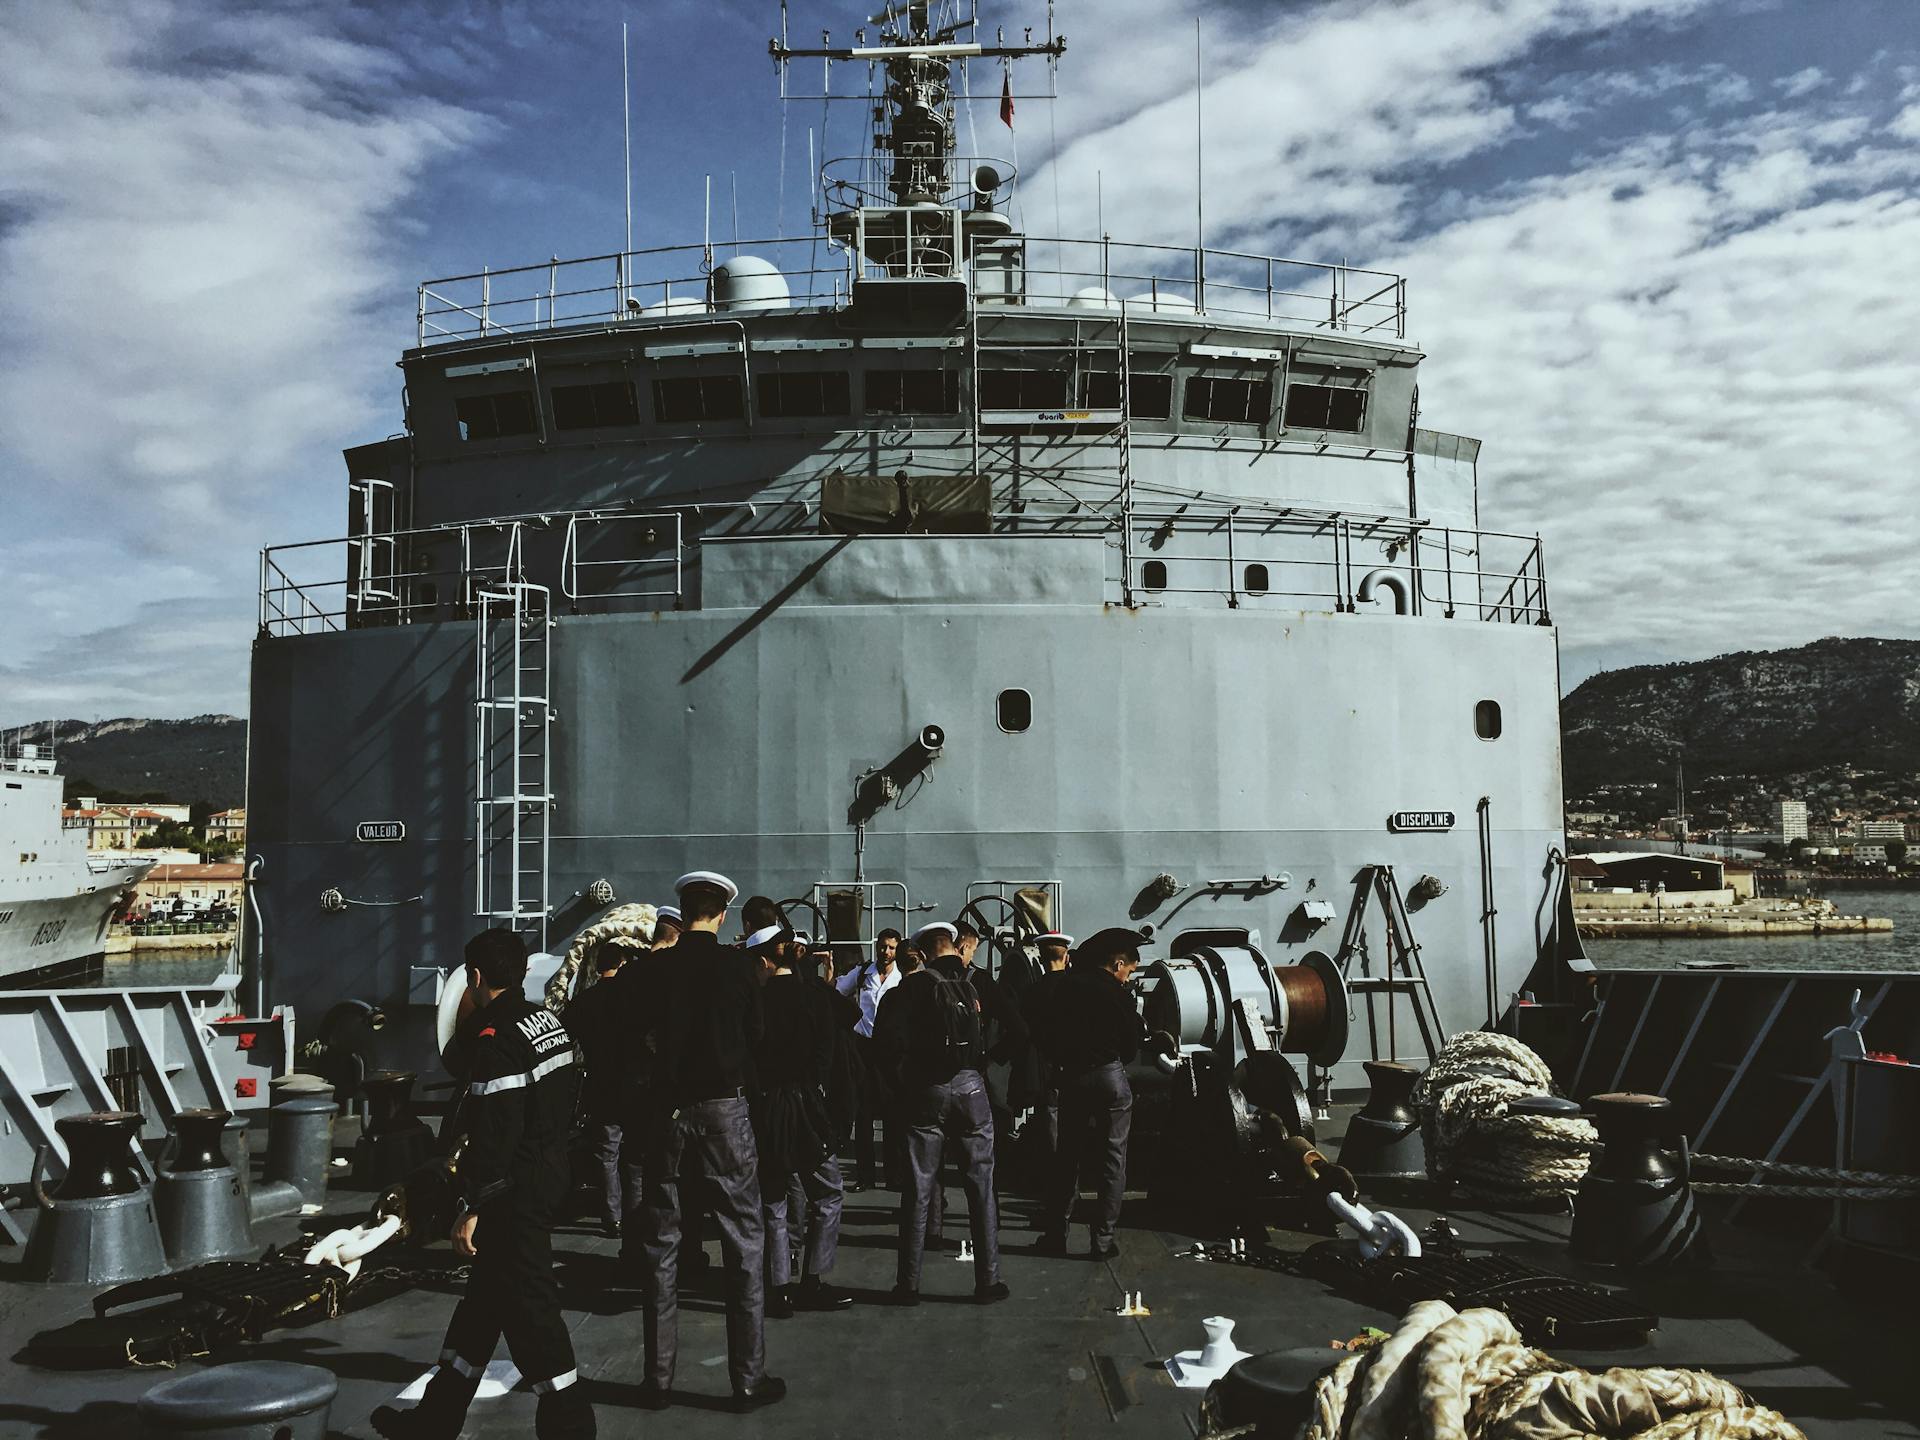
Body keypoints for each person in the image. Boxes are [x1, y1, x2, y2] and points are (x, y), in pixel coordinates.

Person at [372, 928, 592, 1440]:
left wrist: (473, 1206)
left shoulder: (498, 1043)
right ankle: (433, 1423)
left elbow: (495, 1133)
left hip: (514, 1194)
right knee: (482, 1309)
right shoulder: (547, 1022)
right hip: (547, 1174)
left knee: (533, 1310)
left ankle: (573, 1427)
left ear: (474, 978)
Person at [627, 871, 786, 1412]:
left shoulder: (654, 968)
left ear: (683, 908)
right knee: (744, 1239)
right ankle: (747, 1381)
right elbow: (759, 1037)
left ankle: (657, 1380)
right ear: (721, 914)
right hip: (724, 1109)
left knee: (662, 1242)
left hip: (667, 1111)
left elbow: (635, 1037)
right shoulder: (738, 968)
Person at [871, 920, 1025, 1306]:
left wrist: (906, 1083)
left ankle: (908, 1285)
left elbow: (885, 1046)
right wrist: (985, 1062)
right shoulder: (980, 983)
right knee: (981, 1185)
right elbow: (1020, 1030)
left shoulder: (910, 988)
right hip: (972, 1087)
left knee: (919, 1188)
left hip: (926, 1090)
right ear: (956, 947)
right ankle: (988, 1281)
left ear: (922, 953)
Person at [749, 927, 855, 1319]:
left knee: (773, 1199)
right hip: (806, 1106)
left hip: (765, 1107)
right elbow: (838, 1037)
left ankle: (778, 1289)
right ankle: (813, 1280)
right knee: (827, 1193)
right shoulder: (813, 995)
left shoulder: (755, 1000)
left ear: (763, 959)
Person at [1030, 927, 1148, 1260]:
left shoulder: (1068, 986)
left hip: (1074, 1079)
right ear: (1118, 963)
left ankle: (1056, 1235)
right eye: (1129, 970)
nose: (1128, 977)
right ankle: (1103, 1241)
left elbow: (1047, 1032)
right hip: (1110, 1078)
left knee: (1068, 1158)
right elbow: (1130, 1045)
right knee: (1113, 1160)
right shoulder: (1119, 995)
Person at [566, 936, 641, 1238]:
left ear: (598, 968)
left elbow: (564, 1036)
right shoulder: (635, 999)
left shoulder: (584, 1002)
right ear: (622, 964)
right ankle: (637, 1215)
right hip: (635, 1087)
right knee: (636, 1156)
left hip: (600, 1085)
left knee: (607, 1155)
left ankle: (613, 1218)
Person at [836, 928, 902, 1189]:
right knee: (862, 1116)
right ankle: (865, 1177)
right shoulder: (864, 972)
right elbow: (839, 991)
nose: (886, 952)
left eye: (891, 948)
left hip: (889, 1050)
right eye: (883, 946)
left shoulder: (900, 977)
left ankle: (893, 1175)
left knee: (892, 1114)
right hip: (863, 1048)